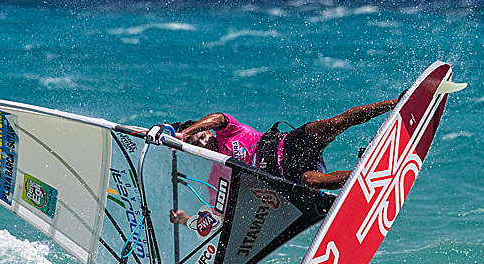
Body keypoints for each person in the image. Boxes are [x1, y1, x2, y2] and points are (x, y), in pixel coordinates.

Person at [169, 95, 402, 225]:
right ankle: (368, 171)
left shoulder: (228, 130)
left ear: (206, 130)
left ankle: (396, 103)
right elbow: (217, 216)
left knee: (335, 123)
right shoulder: (217, 173)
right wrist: (185, 220)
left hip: (289, 143)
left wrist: (184, 134)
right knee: (313, 182)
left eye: (200, 135)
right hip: (285, 175)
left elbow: (217, 117)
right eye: (195, 143)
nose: (201, 140)